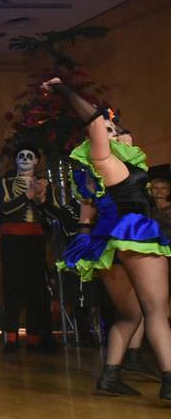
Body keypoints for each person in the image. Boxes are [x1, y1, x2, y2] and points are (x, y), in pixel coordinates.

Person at [46, 79, 171, 402]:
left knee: (130, 316)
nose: (116, 132)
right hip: (136, 235)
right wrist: (64, 90)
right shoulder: (104, 160)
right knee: (157, 311)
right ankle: (169, 380)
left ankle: (110, 376)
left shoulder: (112, 166)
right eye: (109, 130)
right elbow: (94, 119)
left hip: (111, 242)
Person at [0, 145, 57, 352]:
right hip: (12, 239)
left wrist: (42, 200)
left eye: (29, 156)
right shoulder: (5, 182)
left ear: (36, 161)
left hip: (36, 239)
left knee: (37, 288)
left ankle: (34, 336)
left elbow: (53, 214)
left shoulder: (44, 183)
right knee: (12, 286)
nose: (24, 159)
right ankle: (11, 338)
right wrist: (28, 194)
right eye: (20, 156)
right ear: (15, 160)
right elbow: (4, 209)